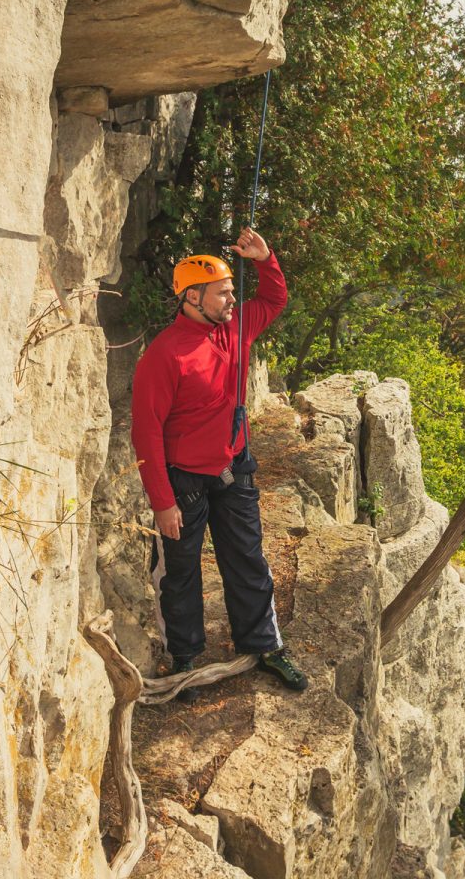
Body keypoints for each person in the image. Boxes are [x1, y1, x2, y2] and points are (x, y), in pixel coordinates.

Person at [132, 227, 307, 701]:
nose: (233, 299)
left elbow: (274, 299)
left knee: (248, 559)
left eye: (233, 291)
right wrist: (163, 503)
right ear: (192, 297)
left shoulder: (235, 328)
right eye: (223, 292)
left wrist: (265, 258)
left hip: (233, 471)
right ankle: (185, 659)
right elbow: (145, 433)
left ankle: (264, 646)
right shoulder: (164, 355)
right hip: (182, 481)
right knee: (181, 570)